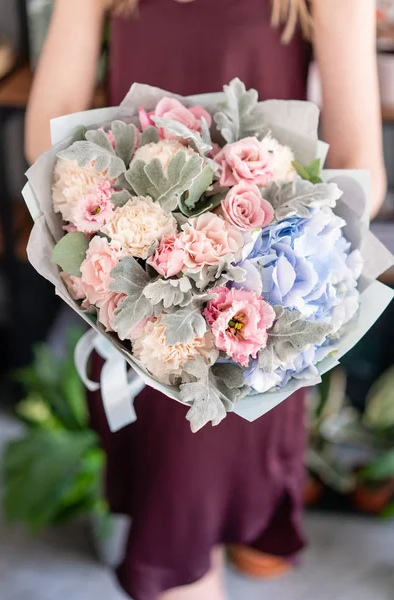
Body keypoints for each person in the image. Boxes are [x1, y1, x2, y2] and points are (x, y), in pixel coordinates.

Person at [25, 1, 386, 599]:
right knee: (175, 518)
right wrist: (110, 228)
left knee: (183, 546)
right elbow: (55, 109)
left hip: (250, 304)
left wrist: (258, 257)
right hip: (136, 285)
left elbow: (358, 163)